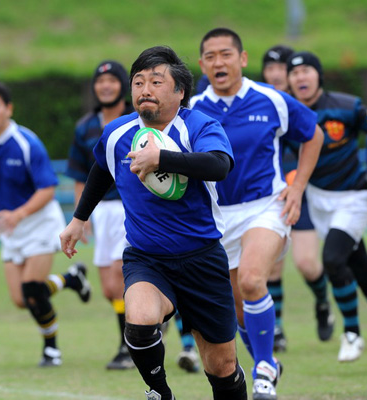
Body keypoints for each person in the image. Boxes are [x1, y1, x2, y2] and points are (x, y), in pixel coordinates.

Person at [60, 46, 247, 400]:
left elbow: (219, 165)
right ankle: (160, 393)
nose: (145, 89)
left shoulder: (198, 125)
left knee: (221, 367)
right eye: (138, 82)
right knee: (140, 323)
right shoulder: (117, 133)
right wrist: (78, 219)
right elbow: (101, 170)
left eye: (156, 82)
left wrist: (163, 158)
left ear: (179, 91)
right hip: (147, 258)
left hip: (202, 258)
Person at [190, 28, 324, 400]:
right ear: (202, 65)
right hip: (218, 217)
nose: (219, 62)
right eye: (211, 57)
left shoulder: (271, 99)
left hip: (265, 207)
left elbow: (313, 134)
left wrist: (298, 187)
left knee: (252, 280)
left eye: (226, 54)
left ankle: (263, 368)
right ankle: (269, 362)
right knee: (238, 307)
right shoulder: (193, 109)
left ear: (243, 59)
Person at [286, 51, 367, 367]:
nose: (301, 77)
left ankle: (353, 333)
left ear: (318, 75)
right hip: (319, 200)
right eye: (295, 73)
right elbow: (277, 147)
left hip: (354, 198)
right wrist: (289, 173)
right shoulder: (288, 112)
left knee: (331, 259)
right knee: (363, 273)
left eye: (307, 71)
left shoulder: (346, 106)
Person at [0, 80, 92, 368]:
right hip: (9, 228)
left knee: (32, 290)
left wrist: (19, 214)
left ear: (8, 109)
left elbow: (47, 189)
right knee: (20, 299)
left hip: (39, 223)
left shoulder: (26, 143)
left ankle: (51, 349)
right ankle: (71, 279)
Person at [261, 44, 335, 352]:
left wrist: (299, 179)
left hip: (300, 194)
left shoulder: (296, 107)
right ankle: (276, 329)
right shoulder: (260, 102)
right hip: (268, 197)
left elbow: (315, 144)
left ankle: (322, 300)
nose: (276, 73)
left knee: (307, 264)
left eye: (283, 68)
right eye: (270, 68)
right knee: (271, 267)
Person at [65, 60, 135, 370]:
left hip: (129, 206)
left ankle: (128, 346)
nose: (105, 86)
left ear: (123, 86)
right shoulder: (85, 127)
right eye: (100, 81)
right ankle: (148, 326)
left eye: (112, 80)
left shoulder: (137, 120)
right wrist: (81, 218)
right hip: (100, 210)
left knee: (121, 276)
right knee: (108, 287)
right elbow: (81, 176)